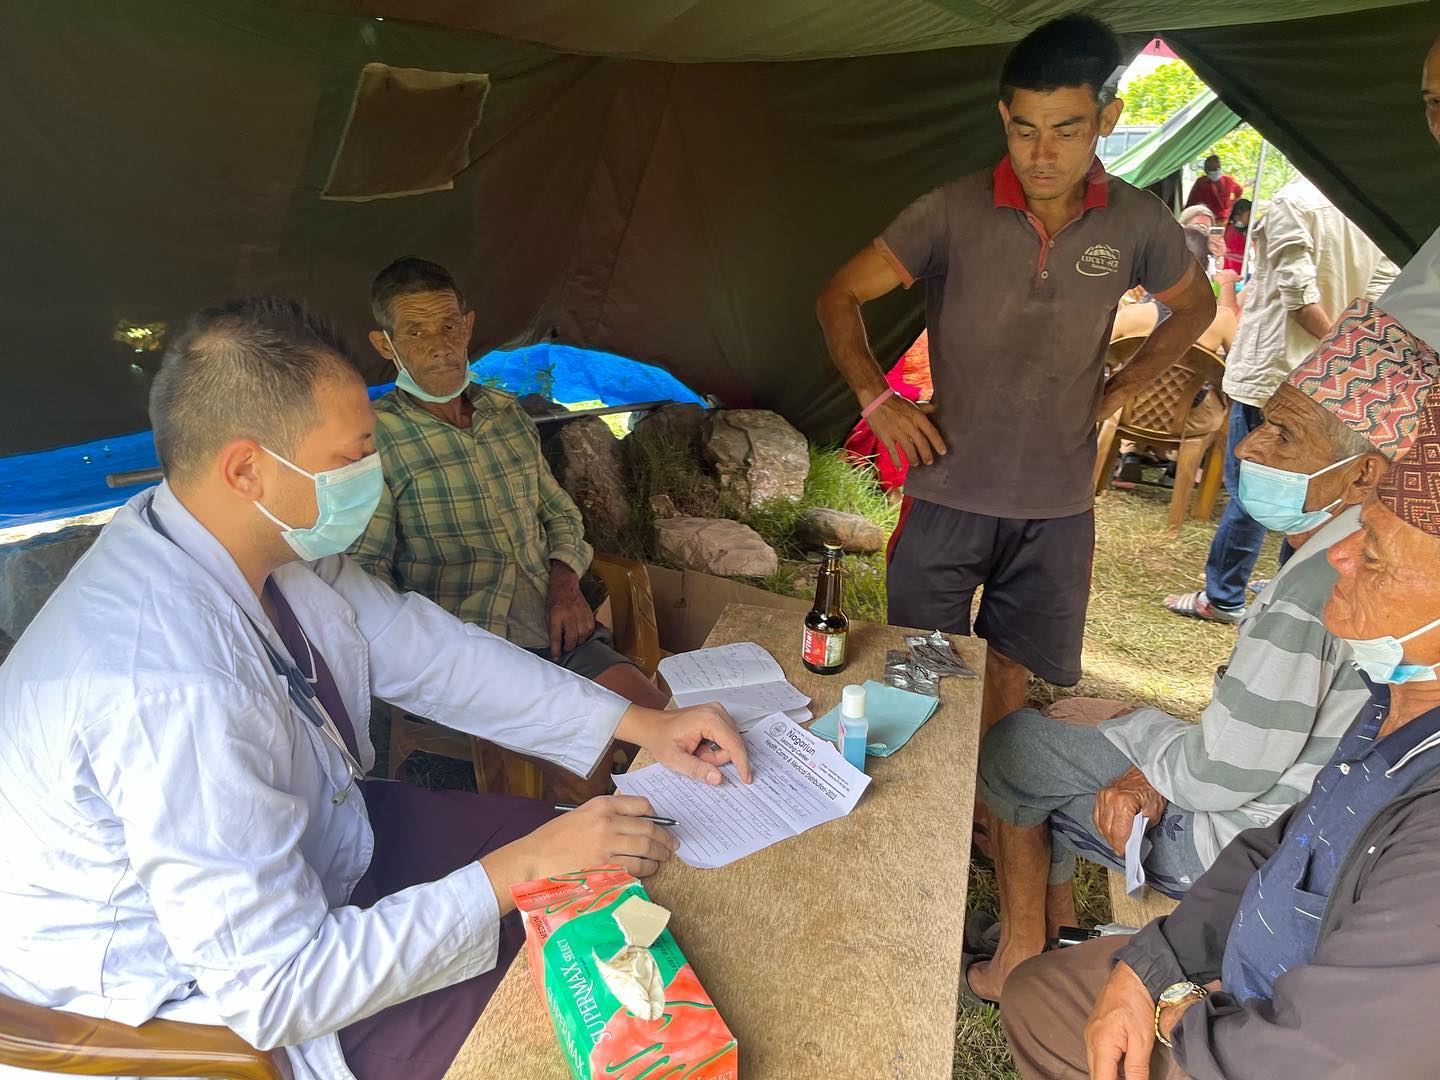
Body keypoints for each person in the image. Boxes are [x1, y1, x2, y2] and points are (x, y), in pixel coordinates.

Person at [0, 297, 749, 1080]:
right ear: (246, 468)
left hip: (314, 850)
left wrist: (638, 723)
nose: (374, 474)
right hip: (195, 989)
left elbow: (424, 649)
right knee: (560, 1006)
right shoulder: (169, 686)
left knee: (600, 871)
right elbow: (280, 988)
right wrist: (520, 868)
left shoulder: (231, 536)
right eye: (351, 457)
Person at [965, 305, 1440, 1003]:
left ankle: (1018, 957)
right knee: (1077, 747)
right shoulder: (1376, 555)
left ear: (1366, 474)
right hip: (1305, 832)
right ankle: (1060, 936)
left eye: (1284, 435)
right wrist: (1145, 746)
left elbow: (1217, 775)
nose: (1249, 448)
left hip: (1245, 851)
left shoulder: (1322, 586)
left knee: (1017, 751)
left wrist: (1129, 726)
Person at [815, 13, 1214, 741]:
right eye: (1024, 128)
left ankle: (987, 806)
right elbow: (837, 294)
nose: (1042, 151)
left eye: (1066, 127)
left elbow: (1194, 307)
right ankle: (925, 801)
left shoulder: (1138, 223)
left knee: (1008, 666)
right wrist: (877, 398)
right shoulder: (950, 211)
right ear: (1003, 116)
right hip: (948, 488)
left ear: (1107, 118)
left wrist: (1125, 387)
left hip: (1056, 504)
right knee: (921, 661)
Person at [351, 257, 668, 798]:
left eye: (449, 326)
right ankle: (616, 863)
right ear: (386, 345)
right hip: (477, 656)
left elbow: (560, 513)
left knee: (661, 724)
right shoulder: (377, 440)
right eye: (416, 331)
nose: (439, 344)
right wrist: (425, 666)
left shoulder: (506, 415)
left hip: (555, 625)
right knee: (590, 770)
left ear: (468, 326)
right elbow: (366, 575)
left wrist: (566, 585)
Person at [1165, 174, 1398, 623]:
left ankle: (1227, 596)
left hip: (1276, 376)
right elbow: (1377, 298)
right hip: (1334, 382)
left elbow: (1299, 296)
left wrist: (1333, 355)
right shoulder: (1370, 201)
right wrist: (1345, 361)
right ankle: (1285, 600)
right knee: (1320, 496)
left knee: (1256, 494)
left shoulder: (1295, 200)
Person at [1184, 154, 1243, 224]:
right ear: (1206, 171)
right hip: (1206, 219)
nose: (1215, 171)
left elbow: (1239, 191)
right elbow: (1191, 203)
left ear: (1220, 168)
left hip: (1225, 220)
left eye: (1216, 168)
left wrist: (1232, 204)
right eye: (1211, 170)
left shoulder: (1228, 181)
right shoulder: (1202, 182)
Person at [1221, 197, 1251, 275]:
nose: (1250, 219)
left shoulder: (1244, 231)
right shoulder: (1231, 231)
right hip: (1231, 271)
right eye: (1248, 216)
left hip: (1240, 270)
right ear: (1237, 216)